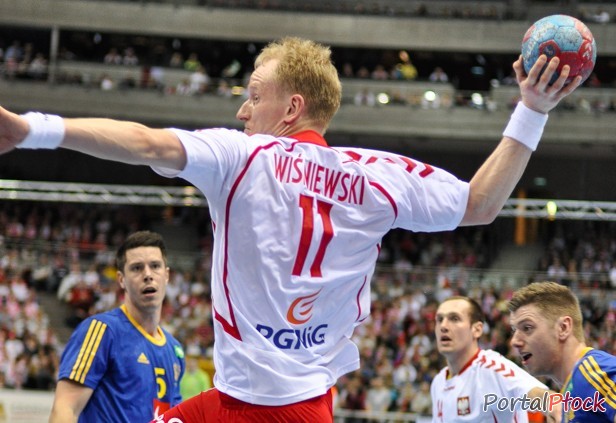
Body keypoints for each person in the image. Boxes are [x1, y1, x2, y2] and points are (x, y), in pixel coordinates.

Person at [0, 36, 580, 421]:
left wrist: (32, 129)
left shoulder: (241, 156)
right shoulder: (378, 175)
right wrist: (532, 108)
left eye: (253, 96)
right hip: (300, 405)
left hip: (249, 405)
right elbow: (480, 203)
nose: (241, 111)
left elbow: (146, 143)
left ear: (291, 108)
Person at [47, 231, 185, 423]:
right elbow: (65, 409)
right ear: (121, 279)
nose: (148, 275)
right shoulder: (102, 331)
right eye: (137, 268)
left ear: (167, 275)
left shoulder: (174, 349)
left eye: (155, 266)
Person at [431, 296, 560, 422]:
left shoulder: (491, 368)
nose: (443, 326)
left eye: (454, 319)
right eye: (439, 319)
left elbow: (540, 395)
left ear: (477, 329)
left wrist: (555, 408)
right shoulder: (438, 382)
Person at [509, 281, 616, 422]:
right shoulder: (574, 387)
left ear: (563, 328)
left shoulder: (596, 371)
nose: (514, 341)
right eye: (514, 330)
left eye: (527, 328)